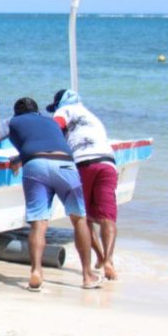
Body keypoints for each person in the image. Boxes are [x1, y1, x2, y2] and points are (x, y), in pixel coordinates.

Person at [0, 97, 98, 291]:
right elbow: (50, 144)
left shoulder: (12, 121)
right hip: (65, 164)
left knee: (39, 223)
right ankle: (87, 275)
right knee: (79, 220)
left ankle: (36, 271)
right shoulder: (51, 122)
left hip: (35, 165)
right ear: (38, 111)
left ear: (16, 113)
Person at [47, 89, 120, 280]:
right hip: (108, 164)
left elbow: (55, 127)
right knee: (108, 218)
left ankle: (100, 257)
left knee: (82, 217)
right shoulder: (93, 117)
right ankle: (108, 260)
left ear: (60, 103)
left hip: (83, 164)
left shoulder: (65, 110)